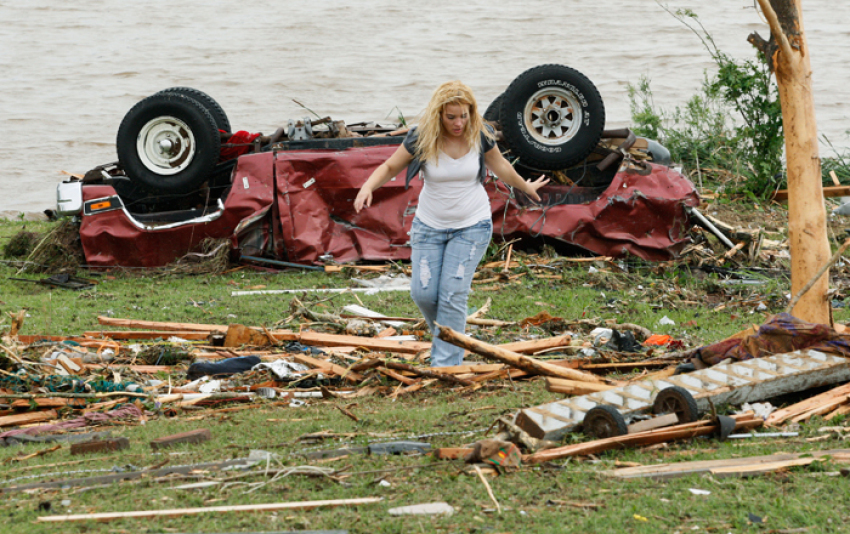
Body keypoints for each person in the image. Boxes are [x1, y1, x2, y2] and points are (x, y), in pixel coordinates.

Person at [354, 80, 549, 367]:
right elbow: (390, 167)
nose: (459, 123)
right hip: (429, 227)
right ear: (439, 115)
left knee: (453, 293)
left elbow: (501, 166)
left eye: (464, 115)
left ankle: (446, 365)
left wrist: (524, 185)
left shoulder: (479, 135)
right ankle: (449, 339)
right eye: (451, 117)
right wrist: (367, 187)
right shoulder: (422, 137)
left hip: (472, 225)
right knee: (423, 294)